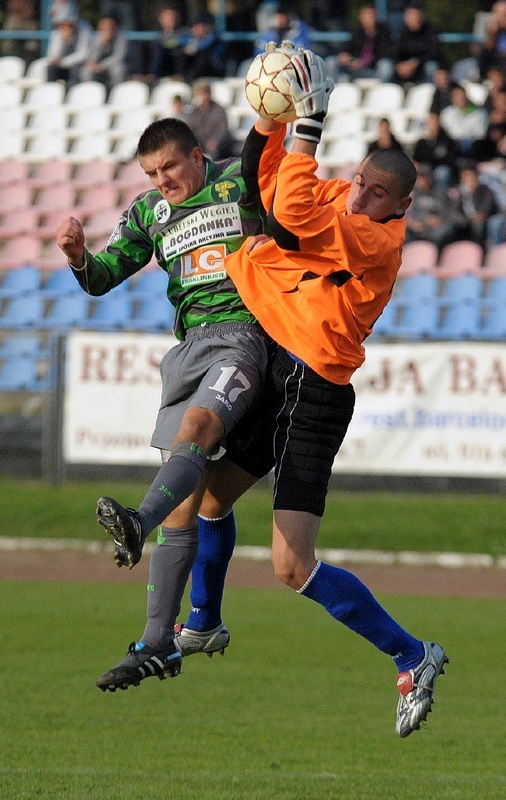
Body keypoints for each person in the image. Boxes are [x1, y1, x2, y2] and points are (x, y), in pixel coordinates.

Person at [206, 47, 447, 739]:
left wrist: (305, 125)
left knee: (290, 565)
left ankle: (412, 654)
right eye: (361, 182)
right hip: (280, 365)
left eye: (378, 193)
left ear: (399, 208)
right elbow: (265, 198)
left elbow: (294, 214)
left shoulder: (375, 239)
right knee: (204, 500)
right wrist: (268, 128)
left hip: (314, 392)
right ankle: (199, 625)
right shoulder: (344, 199)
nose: (362, 195)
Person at [55, 116, 271, 692]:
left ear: (198, 157)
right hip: (187, 351)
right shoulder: (149, 213)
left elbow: (286, 189)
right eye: (151, 173)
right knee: (186, 501)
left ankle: (136, 521)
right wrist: (79, 258)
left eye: (170, 167)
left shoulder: (238, 182)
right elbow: (103, 278)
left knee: (197, 431)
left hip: (243, 335)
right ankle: (155, 644)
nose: (162, 180)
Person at [330, 3, 394, 84]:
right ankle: (332, 92)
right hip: (354, 69)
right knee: (331, 61)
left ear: (376, 17)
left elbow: (385, 55)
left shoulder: (384, 33)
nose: (367, 19)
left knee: (385, 65)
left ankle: (381, 93)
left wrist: (362, 63)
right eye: (365, 16)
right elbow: (347, 49)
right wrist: (345, 56)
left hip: (373, 70)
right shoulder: (357, 32)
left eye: (370, 15)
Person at [405, 163, 457, 250]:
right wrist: (413, 223)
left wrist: (437, 220)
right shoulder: (414, 192)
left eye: (424, 178)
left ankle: (435, 256)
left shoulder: (440, 192)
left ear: (430, 178)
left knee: (442, 231)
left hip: (437, 225)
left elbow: (447, 213)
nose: (420, 181)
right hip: (420, 224)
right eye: (419, 178)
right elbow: (410, 213)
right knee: (404, 229)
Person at [391, 1, 442, 85]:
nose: (413, 18)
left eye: (415, 15)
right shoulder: (402, 33)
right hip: (405, 70)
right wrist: (400, 65)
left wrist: (416, 62)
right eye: (410, 16)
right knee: (387, 66)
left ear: (421, 16)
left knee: (432, 66)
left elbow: (434, 52)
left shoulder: (430, 31)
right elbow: (395, 52)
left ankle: (432, 91)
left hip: (422, 67)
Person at [184, 79, 235, 160]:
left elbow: (223, 130)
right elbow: (189, 129)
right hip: (199, 143)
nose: (203, 96)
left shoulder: (219, 110)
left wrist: (215, 141)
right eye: (200, 93)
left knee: (213, 152)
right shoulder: (193, 112)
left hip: (215, 145)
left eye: (205, 93)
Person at [439, 83, 489, 161]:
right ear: (452, 98)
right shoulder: (447, 113)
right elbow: (449, 131)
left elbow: (480, 133)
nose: (461, 98)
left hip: (473, 145)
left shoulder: (479, 112)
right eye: (457, 96)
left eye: (462, 95)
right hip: (453, 145)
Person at [46, 5, 92, 88]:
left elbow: (83, 54)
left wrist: (64, 62)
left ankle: (72, 93)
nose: (63, 27)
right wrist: (64, 41)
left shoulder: (84, 29)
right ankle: (51, 92)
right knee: (51, 68)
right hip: (61, 65)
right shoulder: (58, 31)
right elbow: (52, 54)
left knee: (76, 70)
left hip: (77, 65)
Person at [79, 14, 128, 90]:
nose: (106, 29)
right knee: (85, 71)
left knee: (118, 69)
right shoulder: (95, 38)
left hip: (109, 66)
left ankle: (115, 92)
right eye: (104, 26)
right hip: (97, 67)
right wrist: (100, 44)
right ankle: (89, 92)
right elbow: (91, 58)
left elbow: (118, 57)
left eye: (109, 26)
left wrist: (102, 66)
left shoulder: (121, 38)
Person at [412, 111, 458, 191]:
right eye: (431, 123)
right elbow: (416, 161)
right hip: (424, 170)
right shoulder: (422, 142)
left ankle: (441, 198)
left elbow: (449, 159)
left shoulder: (447, 141)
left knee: (442, 173)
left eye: (435, 122)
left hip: (439, 170)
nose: (433, 125)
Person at [0, 0, 40, 68]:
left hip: (29, 23)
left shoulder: (32, 23)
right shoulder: (11, 21)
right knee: (8, 45)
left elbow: (30, 12)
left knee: (31, 47)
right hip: (16, 21)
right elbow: (11, 8)